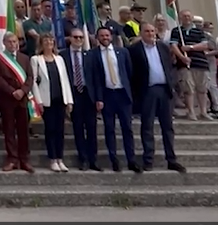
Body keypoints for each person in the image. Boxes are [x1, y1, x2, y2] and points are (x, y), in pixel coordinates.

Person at [128, 23, 185, 173]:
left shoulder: (163, 47)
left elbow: (169, 67)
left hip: (165, 90)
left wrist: (172, 84)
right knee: (147, 126)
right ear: (141, 33)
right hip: (148, 91)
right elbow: (132, 72)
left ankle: (171, 159)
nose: (150, 34)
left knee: (168, 127)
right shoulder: (134, 50)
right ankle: (148, 160)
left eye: (152, 31)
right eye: (147, 31)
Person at [87, 26, 138, 173]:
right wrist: (98, 98)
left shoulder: (122, 52)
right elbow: (95, 78)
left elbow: (129, 72)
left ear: (111, 37)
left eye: (107, 35)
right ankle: (114, 160)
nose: (105, 38)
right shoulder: (93, 54)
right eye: (102, 35)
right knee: (109, 129)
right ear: (97, 38)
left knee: (127, 128)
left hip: (122, 94)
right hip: (106, 95)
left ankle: (131, 160)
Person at [31, 33, 73, 172]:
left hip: (60, 99)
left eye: (51, 40)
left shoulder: (59, 59)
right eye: (46, 40)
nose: (49, 42)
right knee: (50, 129)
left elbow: (65, 80)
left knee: (60, 130)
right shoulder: (36, 60)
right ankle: (53, 159)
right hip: (46, 100)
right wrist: (38, 101)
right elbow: (34, 82)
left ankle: (60, 159)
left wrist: (69, 101)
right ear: (41, 43)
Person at [0, 31, 33, 173]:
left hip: (22, 99)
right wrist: (12, 91)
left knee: (23, 130)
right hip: (7, 99)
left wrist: (23, 91)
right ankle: (12, 159)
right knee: (9, 129)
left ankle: (24, 159)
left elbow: (30, 77)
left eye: (15, 41)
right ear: (4, 43)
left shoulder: (25, 58)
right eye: (9, 42)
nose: (12, 44)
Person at [63, 28, 99, 170]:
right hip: (73, 94)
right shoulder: (63, 56)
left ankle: (93, 159)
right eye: (75, 37)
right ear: (70, 38)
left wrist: (98, 98)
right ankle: (83, 158)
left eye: (81, 37)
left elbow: (96, 78)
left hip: (88, 95)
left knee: (92, 128)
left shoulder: (90, 55)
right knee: (78, 128)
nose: (78, 40)